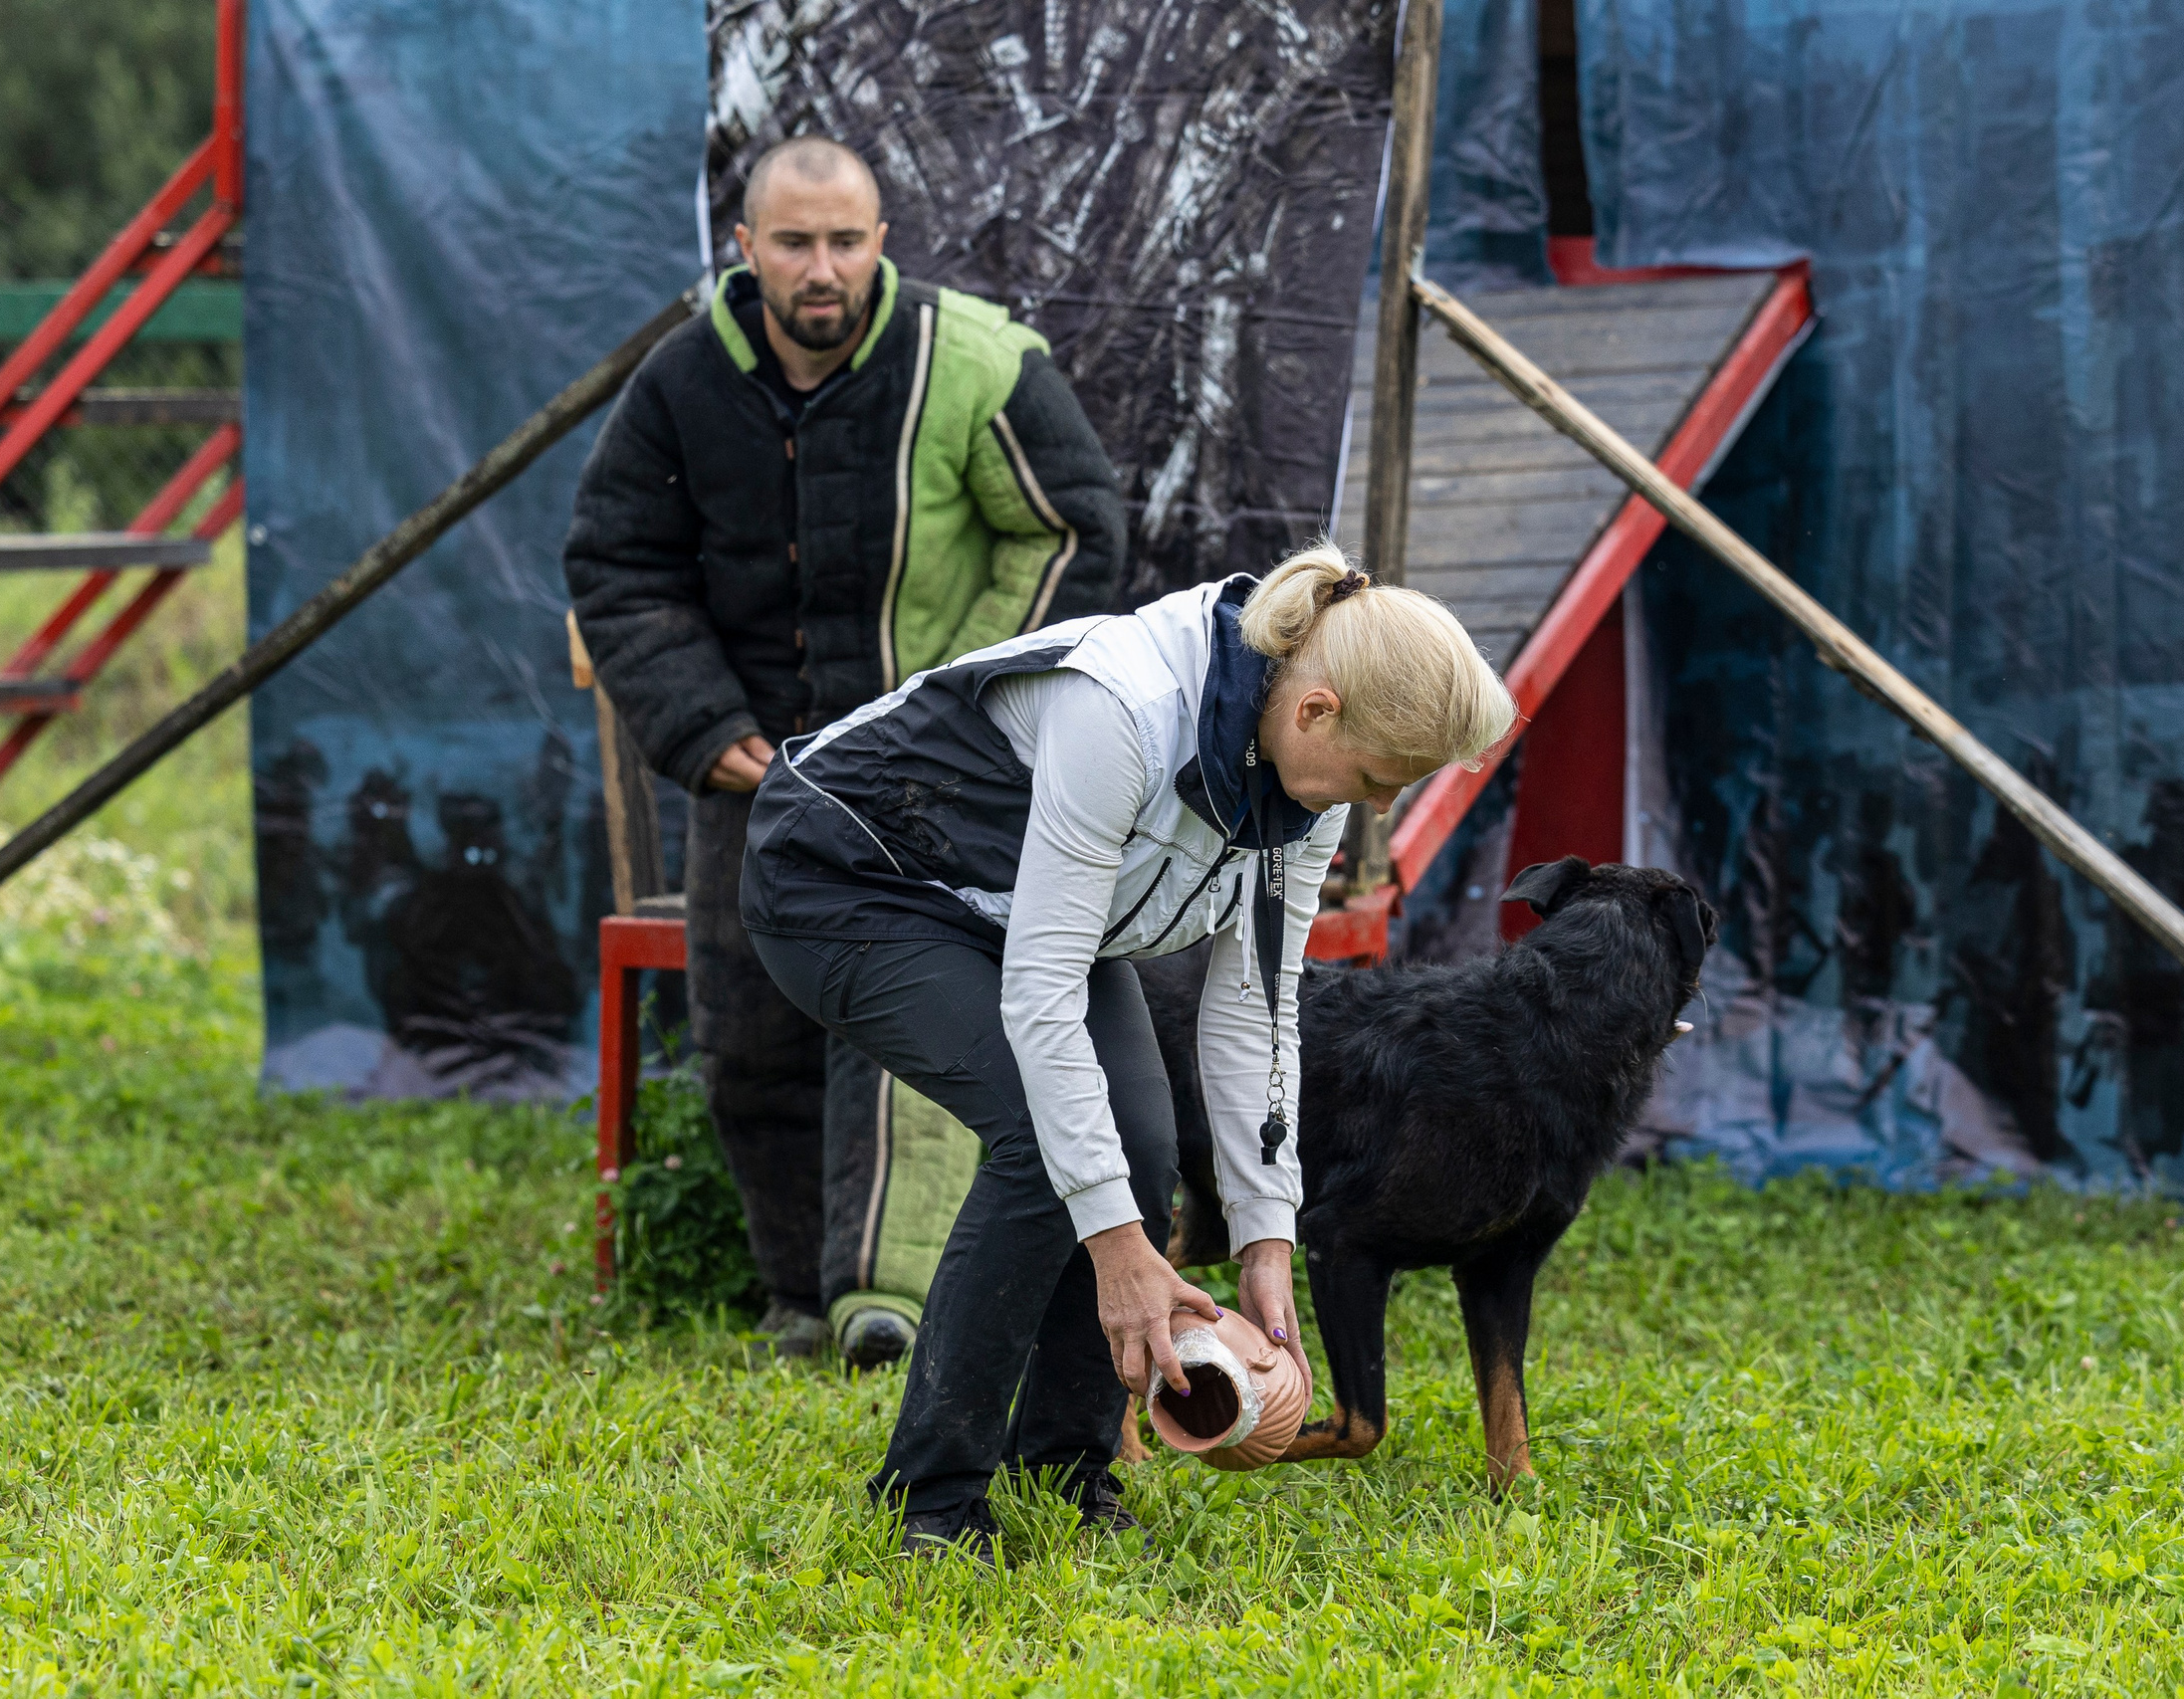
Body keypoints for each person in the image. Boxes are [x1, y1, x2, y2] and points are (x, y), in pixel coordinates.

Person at [741, 541, 1518, 1554]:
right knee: (1042, 1143)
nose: (1379, 806)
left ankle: (1066, 1472)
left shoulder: (1309, 782)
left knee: (1141, 1149)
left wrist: (1264, 1235)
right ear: (1317, 708)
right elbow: (1042, 992)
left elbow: (1256, 1006)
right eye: (1378, 777)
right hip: (840, 877)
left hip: (1021, 908)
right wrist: (1117, 1251)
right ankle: (930, 1501)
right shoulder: (1124, 710)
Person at [564, 137, 1125, 1362]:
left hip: (934, 779)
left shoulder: (973, 362)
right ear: (744, 246)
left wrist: (957, 716)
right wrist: (711, 737)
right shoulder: (677, 383)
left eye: (846, 239)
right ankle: (790, 1295)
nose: (822, 268)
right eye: (794, 241)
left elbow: (1074, 532)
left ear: (880, 240)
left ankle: (892, 1300)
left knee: (913, 1025)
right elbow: (618, 568)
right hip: (754, 773)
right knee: (748, 1038)